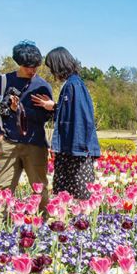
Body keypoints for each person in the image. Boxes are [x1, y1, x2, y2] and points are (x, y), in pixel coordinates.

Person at [0, 41, 53, 210]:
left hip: (35, 144)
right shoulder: (4, 81)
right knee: (1, 188)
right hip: (9, 142)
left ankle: (44, 225)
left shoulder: (42, 86)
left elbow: (45, 117)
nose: (32, 71)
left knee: (39, 189)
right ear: (18, 63)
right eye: (27, 67)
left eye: (35, 67)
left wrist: (21, 111)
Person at [31, 47, 100, 200]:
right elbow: (70, 114)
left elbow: (81, 117)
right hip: (72, 149)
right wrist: (55, 107)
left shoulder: (73, 85)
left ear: (58, 65)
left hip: (75, 151)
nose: (52, 72)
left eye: (51, 68)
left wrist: (80, 148)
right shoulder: (73, 84)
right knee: (68, 196)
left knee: (77, 196)